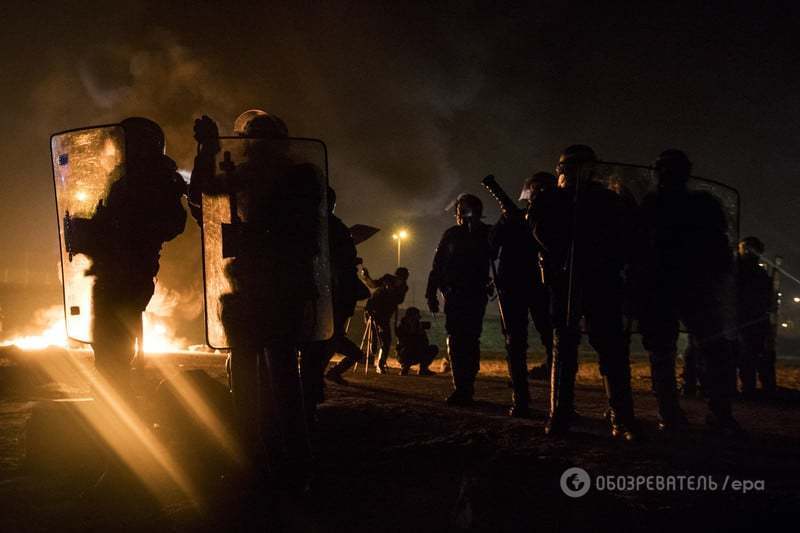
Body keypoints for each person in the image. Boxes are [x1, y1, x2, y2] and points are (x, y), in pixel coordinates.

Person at [189, 110, 323, 489]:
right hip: (248, 287)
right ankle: (254, 458)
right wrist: (206, 151)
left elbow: (300, 233)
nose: (258, 144)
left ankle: (291, 461)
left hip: (279, 287)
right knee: (249, 377)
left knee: (278, 375)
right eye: (254, 137)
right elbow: (202, 196)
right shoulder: (248, 174)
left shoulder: (299, 177)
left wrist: (259, 237)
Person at [529, 145, 640, 440]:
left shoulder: (606, 199)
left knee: (611, 350)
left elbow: (624, 236)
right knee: (563, 349)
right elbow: (539, 230)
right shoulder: (550, 198)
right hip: (564, 282)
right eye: (574, 168)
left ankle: (621, 417)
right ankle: (559, 414)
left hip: (600, 281)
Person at [636, 149, 741, 434]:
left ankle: (681, 413)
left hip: (678, 288)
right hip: (679, 289)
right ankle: (691, 413)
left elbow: (719, 249)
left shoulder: (655, 205)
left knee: (678, 352)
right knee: (678, 351)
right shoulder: (695, 204)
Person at [83, 117, 186, 401]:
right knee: (108, 340)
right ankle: (115, 395)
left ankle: (118, 403)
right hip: (114, 270)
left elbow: (172, 224)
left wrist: (114, 229)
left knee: (113, 340)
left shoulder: (155, 179)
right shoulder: (128, 177)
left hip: (129, 272)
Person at [489, 172, 555, 417]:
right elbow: (492, 246)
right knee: (516, 344)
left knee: (552, 341)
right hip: (514, 286)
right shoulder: (512, 218)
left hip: (541, 285)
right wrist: (505, 222)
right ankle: (521, 399)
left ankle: (556, 401)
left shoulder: (553, 217)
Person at [426, 193, 493, 406]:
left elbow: (438, 266)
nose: (457, 215)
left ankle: (465, 387)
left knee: (466, 339)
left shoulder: (484, 233)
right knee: (461, 339)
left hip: (470, 295)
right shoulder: (455, 234)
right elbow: (438, 265)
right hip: (458, 294)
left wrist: (431, 293)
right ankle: (462, 387)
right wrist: (431, 292)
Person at [319, 186, 370, 386]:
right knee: (331, 339)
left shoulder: (303, 224)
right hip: (335, 295)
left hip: (323, 294)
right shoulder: (335, 227)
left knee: (329, 340)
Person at [736, 236, 776, 396]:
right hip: (757, 319)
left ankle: (750, 388)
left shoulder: (740, 269)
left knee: (747, 355)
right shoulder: (760, 273)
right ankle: (765, 387)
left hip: (745, 318)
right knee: (760, 355)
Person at [361, 266, 409, 373]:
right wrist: (366, 277)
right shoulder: (387, 278)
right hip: (372, 310)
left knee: (386, 340)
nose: (399, 281)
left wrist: (392, 291)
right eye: (398, 278)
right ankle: (369, 352)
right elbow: (373, 284)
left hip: (385, 316)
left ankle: (380, 364)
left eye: (402, 279)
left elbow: (399, 300)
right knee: (373, 338)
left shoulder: (404, 288)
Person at [396, 307, 438, 375]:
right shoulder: (403, 326)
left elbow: (425, 342)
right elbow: (403, 342)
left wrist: (419, 332)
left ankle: (423, 369)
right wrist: (412, 331)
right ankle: (405, 368)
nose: (416, 319)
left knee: (433, 348)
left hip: (417, 352)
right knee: (408, 348)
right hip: (405, 354)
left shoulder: (418, 326)